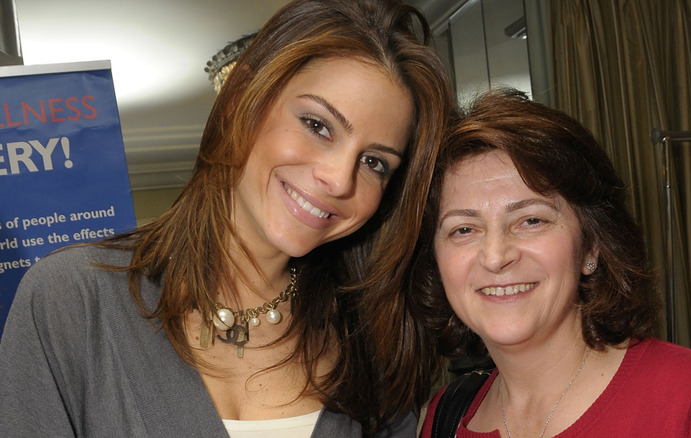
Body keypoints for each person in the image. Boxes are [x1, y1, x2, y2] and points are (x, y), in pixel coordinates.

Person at [0, 0, 452, 437]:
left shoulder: (374, 339)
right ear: (242, 102)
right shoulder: (72, 299)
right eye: (317, 125)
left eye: (375, 162)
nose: (338, 180)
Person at [413, 88, 691, 437]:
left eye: (531, 220)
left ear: (591, 247)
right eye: (463, 229)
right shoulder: (444, 418)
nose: (495, 256)